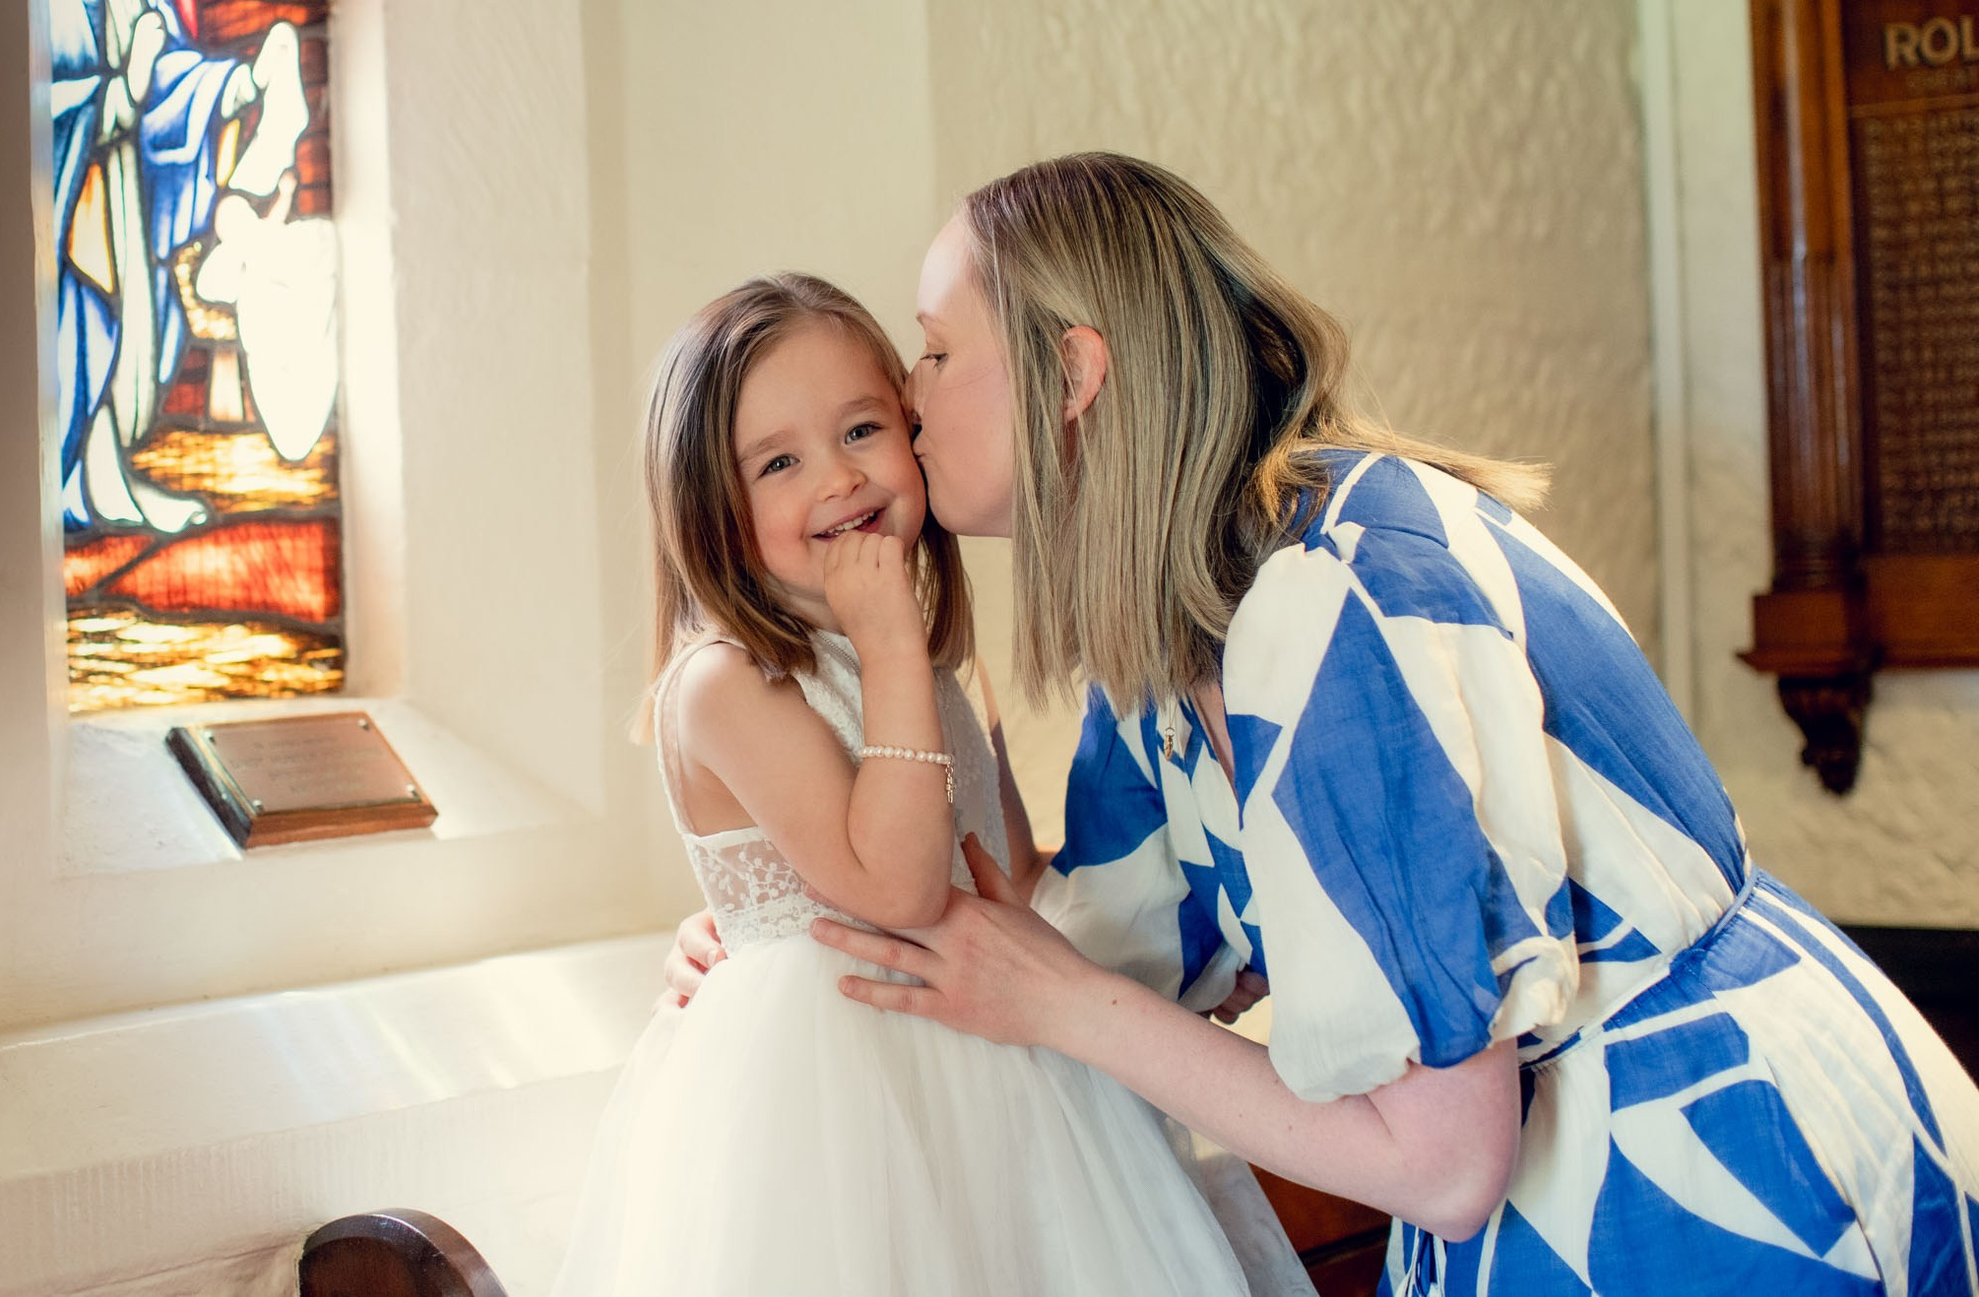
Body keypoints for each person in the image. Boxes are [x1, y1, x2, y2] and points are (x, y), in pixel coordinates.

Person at [665, 153, 1979, 1294]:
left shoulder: (1335, 594)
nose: (906, 392)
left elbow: (1446, 1161)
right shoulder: (1169, 635)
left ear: (1073, 373)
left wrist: (1053, 996)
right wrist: (790, 930)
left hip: (1713, 1175)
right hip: (1547, 1186)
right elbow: (1089, 951)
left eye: (938, 350)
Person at [555, 274, 1309, 1296]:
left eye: (862, 428)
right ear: (713, 512)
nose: (839, 476)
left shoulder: (925, 670)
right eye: (778, 460)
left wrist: (1209, 951)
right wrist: (889, 644)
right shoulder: (725, 682)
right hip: (835, 1118)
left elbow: (1011, 886)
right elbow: (899, 886)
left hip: (1003, 1081)